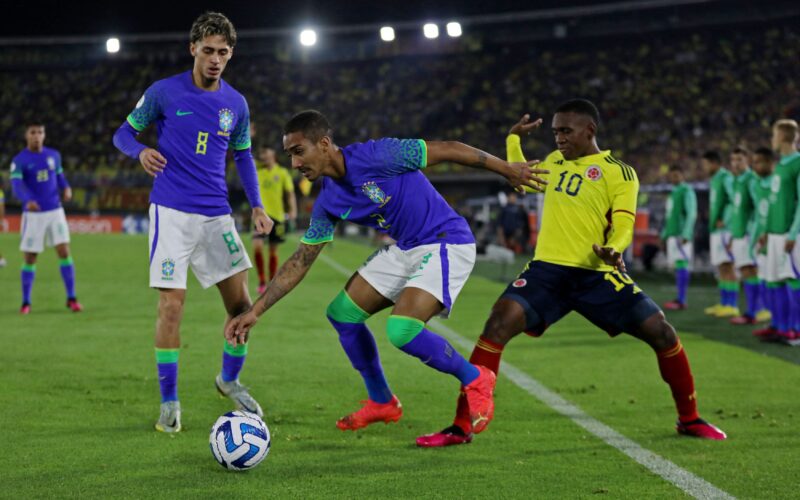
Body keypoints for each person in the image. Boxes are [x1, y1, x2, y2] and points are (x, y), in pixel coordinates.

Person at [417, 101, 726, 448]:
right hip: (547, 271)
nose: (559, 138)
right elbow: (524, 180)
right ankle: (461, 426)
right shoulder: (553, 162)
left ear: (589, 130)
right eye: (555, 132)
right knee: (497, 324)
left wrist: (616, 248)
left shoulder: (618, 172)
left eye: (566, 131)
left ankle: (690, 418)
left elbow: (624, 224)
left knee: (662, 332)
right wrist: (512, 140)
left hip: (595, 273)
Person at [225, 109, 547, 435]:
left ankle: (477, 379)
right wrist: (256, 311)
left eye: (298, 152)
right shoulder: (327, 201)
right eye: (289, 155)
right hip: (407, 247)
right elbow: (301, 260)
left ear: (324, 144)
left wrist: (506, 169)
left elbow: (450, 148)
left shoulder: (378, 154)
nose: (294, 164)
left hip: (445, 240)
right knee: (342, 314)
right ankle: (382, 402)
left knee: (402, 330)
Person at [112, 12, 273, 433]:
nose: (216, 59)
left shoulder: (236, 104)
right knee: (171, 306)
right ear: (193, 50)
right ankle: (169, 402)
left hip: (216, 213)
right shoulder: (164, 92)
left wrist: (256, 205)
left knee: (241, 307)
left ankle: (229, 379)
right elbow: (122, 134)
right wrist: (140, 152)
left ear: (231, 53)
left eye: (223, 52)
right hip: (171, 211)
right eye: (208, 51)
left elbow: (243, 156)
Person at [10, 122, 81, 314]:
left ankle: (72, 298)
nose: (36, 136)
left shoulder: (54, 156)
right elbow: (16, 186)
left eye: (40, 132)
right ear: (27, 135)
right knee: (30, 257)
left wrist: (66, 188)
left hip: (55, 211)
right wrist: (27, 200)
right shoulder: (19, 160)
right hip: (33, 215)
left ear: (44, 135)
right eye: (33, 132)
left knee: (64, 252)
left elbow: (59, 177)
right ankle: (26, 302)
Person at [752, 120, 800, 344]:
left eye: (773, 134)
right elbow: (773, 203)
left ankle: (796, 329)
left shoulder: (797, 163)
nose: (772, 139)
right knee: (774, 281)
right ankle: (780, 327)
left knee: (793, 280)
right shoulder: (781, 166)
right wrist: (766, 231)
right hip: (774, 234)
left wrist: (793, 234)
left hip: (791, 235)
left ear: (782, 136)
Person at [726, 147, 766, 325]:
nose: (735, 163)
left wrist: (755, 231)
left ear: (747, 161)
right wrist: (733, 236)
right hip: (739, 234)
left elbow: (759, 207)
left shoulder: (751, 180)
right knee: (746, 271)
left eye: (739, 159)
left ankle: (755, 311)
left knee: (752, 271)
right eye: (733, 160)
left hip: (749, 234)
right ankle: (754, 310)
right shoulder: (736, 181)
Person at [253, 146, 297, 293]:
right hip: (261, 216)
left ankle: (271, 282)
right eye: (262, 153)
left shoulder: (283, 173)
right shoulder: (259, 172)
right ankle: (261, 280)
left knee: (273, 251)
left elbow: (290, 193)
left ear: (273, 154)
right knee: (257, 247)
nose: (263, 155)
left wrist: (292, 210)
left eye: (266, 152)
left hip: (277, 217)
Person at [702, 151, 738, 317]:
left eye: (706, 164)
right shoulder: (715, 179)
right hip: (716, 230)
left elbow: (734, 199)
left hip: (724, 230)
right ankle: (724, 303)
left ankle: (732, 304)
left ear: (715, 163)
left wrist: (726, 219)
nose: (704, 167)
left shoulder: (726, 177)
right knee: (721, 267)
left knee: (728, 267)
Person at [749, 147, 777, 337]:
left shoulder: (777, 182)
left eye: (759, 162)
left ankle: (791, 326)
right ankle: (775, 322)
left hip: (778, 236)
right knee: (767, 279)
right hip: (763, 238)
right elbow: (761, 214)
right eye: (755, 162)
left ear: (770, 163)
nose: (755, 166)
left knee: (781, 281)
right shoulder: (757, 184)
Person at [661, 164, 697, 310]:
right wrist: (664, 234)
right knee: (678, 266)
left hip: (681, 235)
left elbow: (691, 213)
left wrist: (687, 233)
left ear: (682, 175)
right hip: (673, 235)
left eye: (676, 175)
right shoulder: (674, 192)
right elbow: (670, 216)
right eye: (672, 175)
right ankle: (679, 298)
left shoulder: (686, 190)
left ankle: (682, 300)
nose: (674, 178)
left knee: (682, 264)